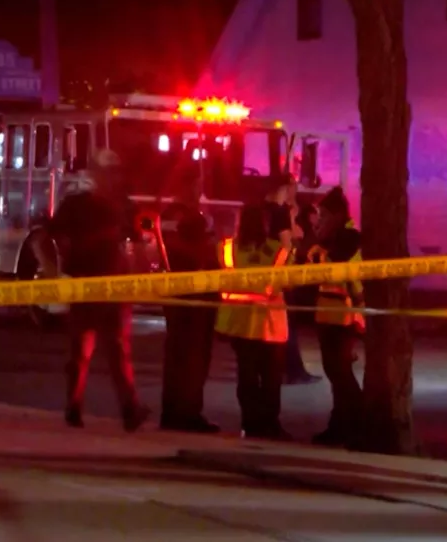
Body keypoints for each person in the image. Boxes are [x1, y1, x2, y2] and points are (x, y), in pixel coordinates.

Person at [40, 150, 150, 432]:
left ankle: (129, 410)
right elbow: (41, 238)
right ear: (95, 174)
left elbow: (137, 246)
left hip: (115, 289)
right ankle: (75, 407)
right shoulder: (76, 205)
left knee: (117, 351)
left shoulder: (125, 207)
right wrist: (51, 271)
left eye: (115, 172)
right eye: (107, 172)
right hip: (85, 285)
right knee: (82, 351)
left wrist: (141, 278)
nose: (112, 177)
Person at [215, 199, 293, 440]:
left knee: (246, 376)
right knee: (271, 378)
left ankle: (250, 423)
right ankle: (269, 425)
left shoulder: (226, 248)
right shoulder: (279, 251)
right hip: (270, 324)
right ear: (265, 224)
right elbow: (288, 283)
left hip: (239, 322)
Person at [158, 173, 221, 433]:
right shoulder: (181, 216)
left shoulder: (174, 215)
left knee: (180, 357)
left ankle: (174, 412)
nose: (199, 191)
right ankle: (186, 414)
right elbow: (188, 252)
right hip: (192, 298)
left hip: (184, 296)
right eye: (195, 186)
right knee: (192, 358)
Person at [307, 186, 364, 447]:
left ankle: (351, 424)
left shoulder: (349, 238)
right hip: (328, 315)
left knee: (340, 374)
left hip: (342, 316)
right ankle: (342, 424)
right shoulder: (335, 239)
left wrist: (319, 243)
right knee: (336, 374)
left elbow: (338, 266)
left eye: (324, 216)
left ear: (338, 215)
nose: (319, 221)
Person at [284, 203, 323, 385]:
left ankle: (292, 370)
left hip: (292, 287)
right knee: (289, 331)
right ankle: (293, 371)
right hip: (291, 287)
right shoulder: (307, 235)